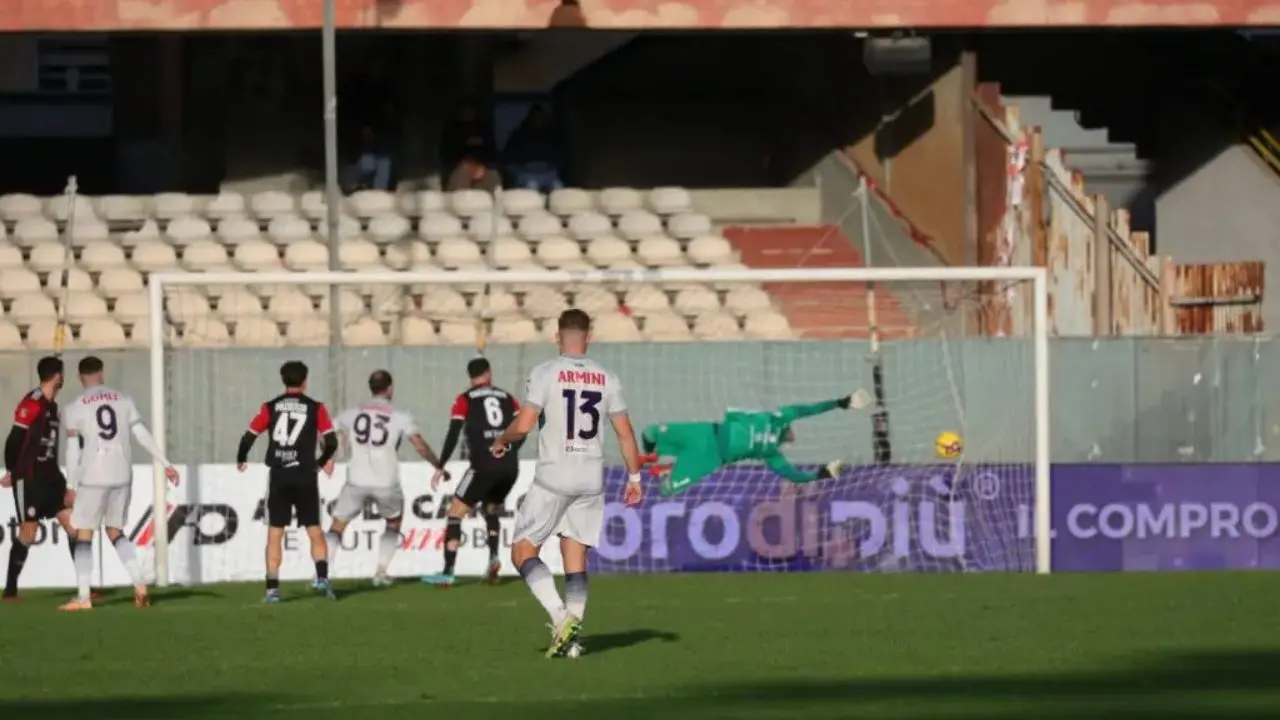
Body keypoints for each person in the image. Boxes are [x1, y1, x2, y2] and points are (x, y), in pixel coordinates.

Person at [491, 309, 644, 658]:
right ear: (589, 336)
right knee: (575, 559)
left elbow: (526, 423)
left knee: (522, 551)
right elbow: (625, 434)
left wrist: (502, 440)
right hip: (590, 479)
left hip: (554, 477)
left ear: (557, 337)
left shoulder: (545, 372)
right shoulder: (607, 377)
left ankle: (561, 618)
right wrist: (635, 477)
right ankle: (572, 644)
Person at [58, 356, 179, 611]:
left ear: (80, 378)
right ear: (102, 373)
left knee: (84, 533)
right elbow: (141, 434)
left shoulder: (74, 407)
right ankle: (139, 584)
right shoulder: (123, 400)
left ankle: (82, 598)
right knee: (115, 530)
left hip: (93, 475)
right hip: (123, 473)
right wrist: (165, 463)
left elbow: (73, 450)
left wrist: (70, 485)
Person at [328, 370, 445, 587]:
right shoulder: (400, 416)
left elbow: (328, 431)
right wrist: (438, 464)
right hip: (386, 481)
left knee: (337, 525)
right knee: (393, 523)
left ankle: (322, 574)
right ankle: (381, 573)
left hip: (356, 479)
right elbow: (419, 445)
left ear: (370, 388)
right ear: (390, 388)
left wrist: (330, 453)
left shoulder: (352, 413)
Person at [236, 361, 339, 603]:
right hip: (305, 475)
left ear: (284, 380)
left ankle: (272, 590)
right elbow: (332, 442)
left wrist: (241, 457)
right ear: (305, 381)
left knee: (275, 533)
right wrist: (320, 460)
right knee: (314, 530)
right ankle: (322, 579)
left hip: (280, 476)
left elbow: (249, 436)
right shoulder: (316, 407)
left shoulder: (270, 407)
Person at [640, 392, 869, 497]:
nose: (794, 436)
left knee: (666, 490)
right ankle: (653, 456)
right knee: (649, 433)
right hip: (706, 432)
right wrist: (841, 403)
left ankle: (667, 471)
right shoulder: (777, 417)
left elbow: (794, 476)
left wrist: (823, 474)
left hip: (711, 457)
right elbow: (809, 410)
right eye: (792, 432)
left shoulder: (771, 455)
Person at [421, 357, 520, 588]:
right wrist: (509, 449)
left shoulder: (464, 400)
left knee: (455, 514)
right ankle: (494, 558)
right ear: (489, 373)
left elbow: (454, 432)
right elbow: (522, 426)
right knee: (490, 508)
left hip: (483, 466)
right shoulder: (508, 398)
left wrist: (440, 464)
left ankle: (448, 571)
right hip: (509, 467)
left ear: (470, 377)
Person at [1, 356, 77, 601]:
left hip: (52, 477)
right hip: (31, 477)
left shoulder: (52, 405)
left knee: (75, 526)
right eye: (62, 374)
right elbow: (13, 441)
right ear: (56, 376)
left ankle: (84, 587)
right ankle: (10, 590)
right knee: (29, 532)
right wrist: (12, 471)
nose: (63, 378)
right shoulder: (32, 403)